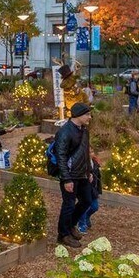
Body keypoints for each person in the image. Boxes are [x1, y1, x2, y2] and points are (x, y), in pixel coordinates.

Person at [55, 102, 94, 248]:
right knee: (69, 205)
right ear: (78, 115)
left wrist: (88, 171)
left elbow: (85, 152)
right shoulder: (64, 132)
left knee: (87, 201)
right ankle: (63, 234)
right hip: (70, 175)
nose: (90, 117)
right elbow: (61, 156)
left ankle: (71, 225)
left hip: (82, 174)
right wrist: (66, 179)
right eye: (87, 114)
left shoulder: (84, 130)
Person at [77, 151, 102, 234]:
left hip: (93, 189)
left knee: (95, 207)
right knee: (84, 206)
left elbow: (98, 179)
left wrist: (98, 190)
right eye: (88, 152)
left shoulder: (95, 163)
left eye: (91, 151)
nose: (90, 153)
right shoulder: (82, 163)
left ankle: (86, 217)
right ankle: (81, 224)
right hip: (84, 188)